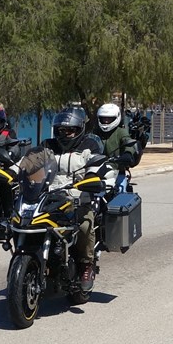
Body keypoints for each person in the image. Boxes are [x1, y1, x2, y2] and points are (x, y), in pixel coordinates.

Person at [41, 106, 103, 291]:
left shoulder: (89, 145)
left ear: (79, 129)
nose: (65, 134)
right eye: (61, 130)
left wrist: (91, 179)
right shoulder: (47, 145)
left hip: (76, 199)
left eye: (70, 130)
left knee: (84, 225)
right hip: (49, 198)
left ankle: (86, 265)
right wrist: (14, 172)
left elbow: (95, 166)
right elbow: (31, 164)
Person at [94, 103, 138, 167]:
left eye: (109, 119)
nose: (106, 121)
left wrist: (127, 153)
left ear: (116, 118)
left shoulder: (121, 132)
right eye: (104, 118)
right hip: (95, 167)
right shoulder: (95, 132)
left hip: (116, 168)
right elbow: (87, 143)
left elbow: (128, 142)